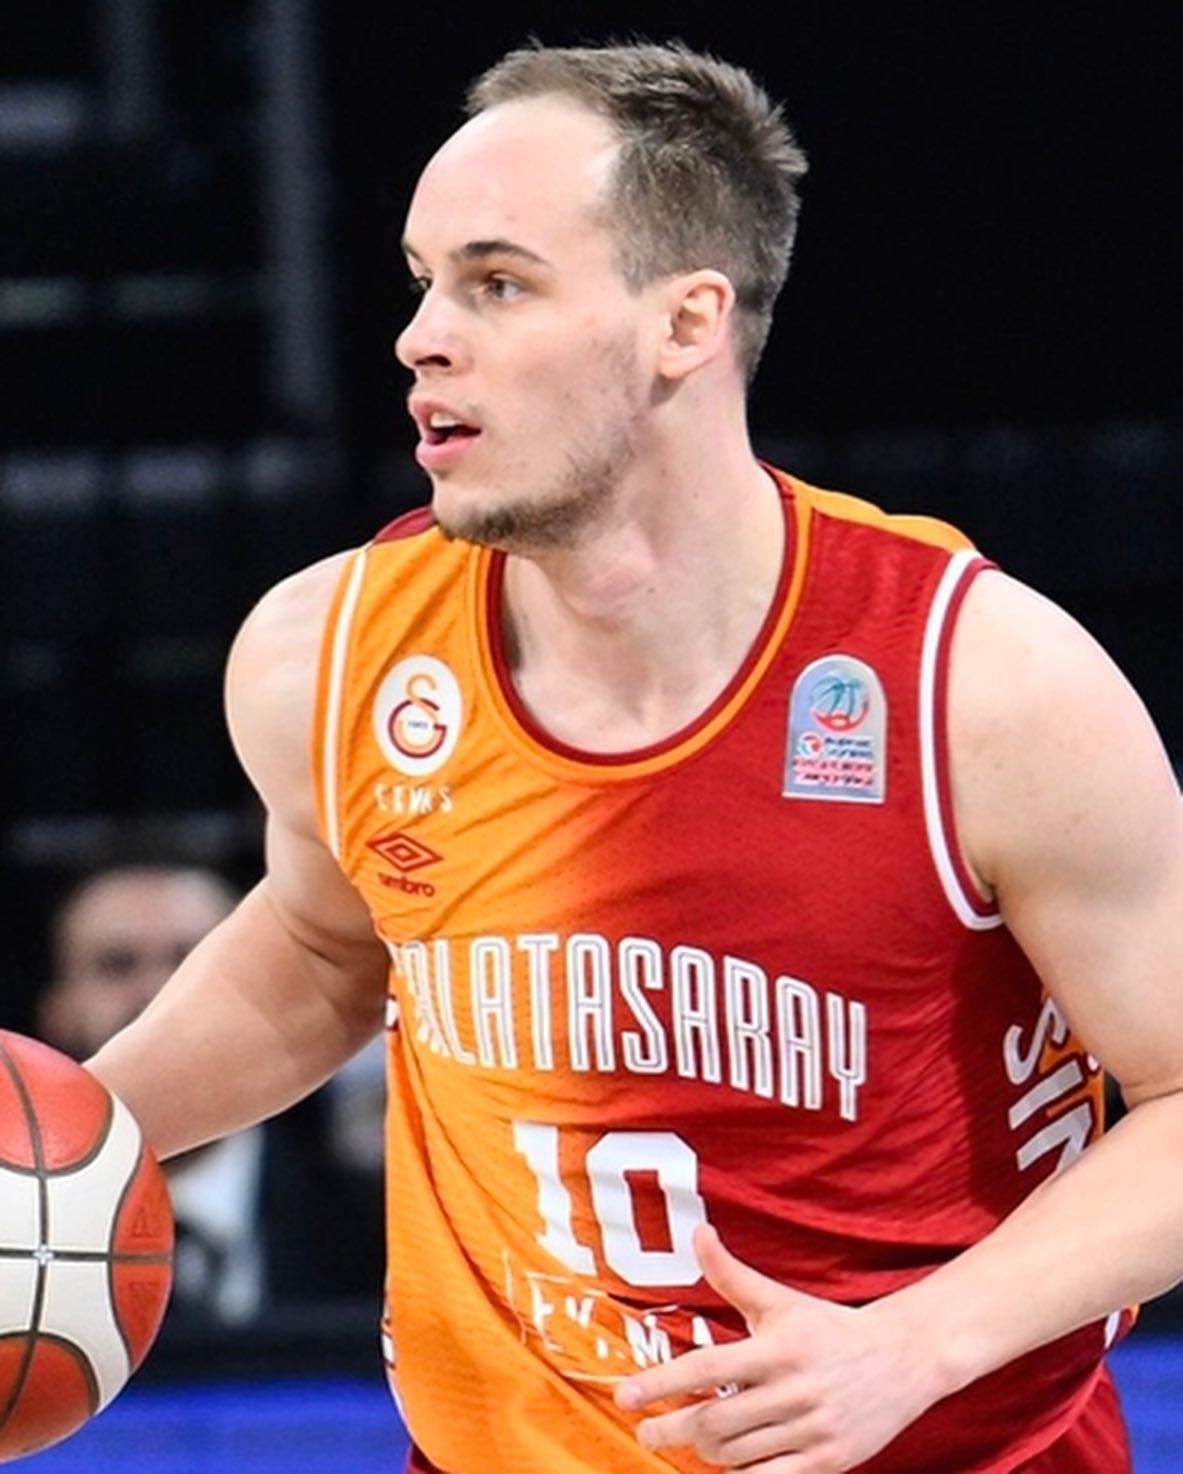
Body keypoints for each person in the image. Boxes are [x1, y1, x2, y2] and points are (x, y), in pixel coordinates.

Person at [84, 40, 1183, 1474]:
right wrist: (70, 1137)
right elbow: (326, 944)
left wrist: (914, 1344)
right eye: (420, 281)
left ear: (685, 323)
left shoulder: (976, 683)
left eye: (496, 284)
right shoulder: (328, 651)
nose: (420, 336)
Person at [41, 862, 383, 1321]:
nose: (155, 991)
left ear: (268, 998)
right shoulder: (15, 1225)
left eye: (192, 961)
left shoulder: (376, 1226)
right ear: (57, 1010)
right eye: (117, 965)